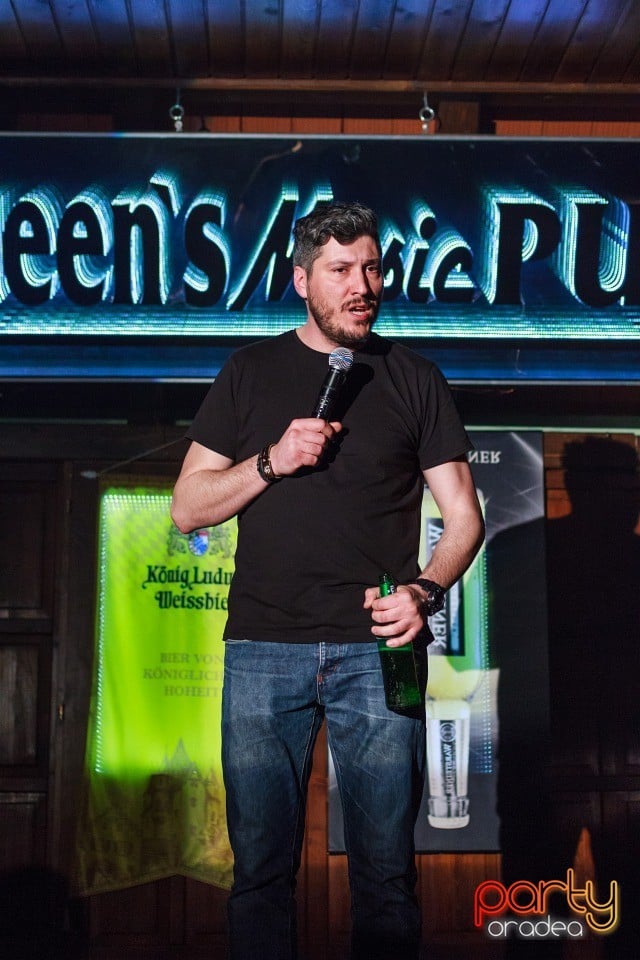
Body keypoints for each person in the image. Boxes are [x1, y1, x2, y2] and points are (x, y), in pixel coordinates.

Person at [171, 201, 484, 960]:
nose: (361, 286)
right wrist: (272, 460)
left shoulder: (415, 378)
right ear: (301, 280)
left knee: (387, 874)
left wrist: (424, 591)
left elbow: (464, 518)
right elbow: (187, 508)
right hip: (262, 644)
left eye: (371, 268)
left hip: (382, 651)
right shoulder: (249, 373)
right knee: (260, 874)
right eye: (341, 270)